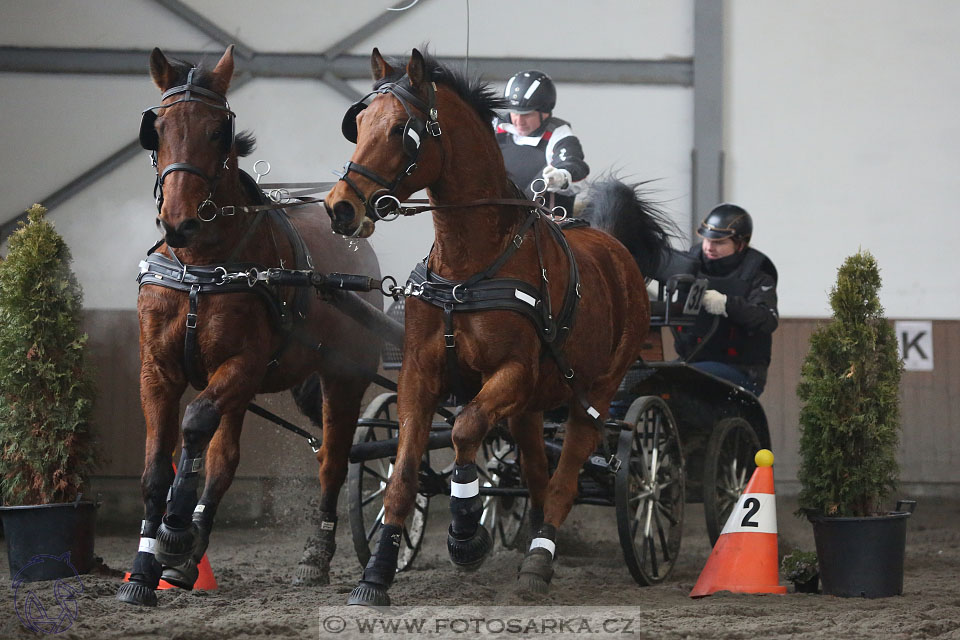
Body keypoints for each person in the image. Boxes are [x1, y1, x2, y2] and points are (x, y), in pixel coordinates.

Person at [673, 204, 779, 395]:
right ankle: (604, 421)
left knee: (684, 380)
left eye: (719, 242)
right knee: (641, 381)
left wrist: (726, 304)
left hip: (742, 369)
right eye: (706, 240)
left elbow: (767, 320)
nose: (709, 247)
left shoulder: (758, 272)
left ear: (741, 244)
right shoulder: (690, 263)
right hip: (690, 361)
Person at [495, 70, 589, 214]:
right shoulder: (494, 127)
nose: (519, 121)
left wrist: (561, 177)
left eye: (527, 114)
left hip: (546, 226)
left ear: (544, 112)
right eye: (514, 113)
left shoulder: (559, 135)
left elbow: (573, 163)